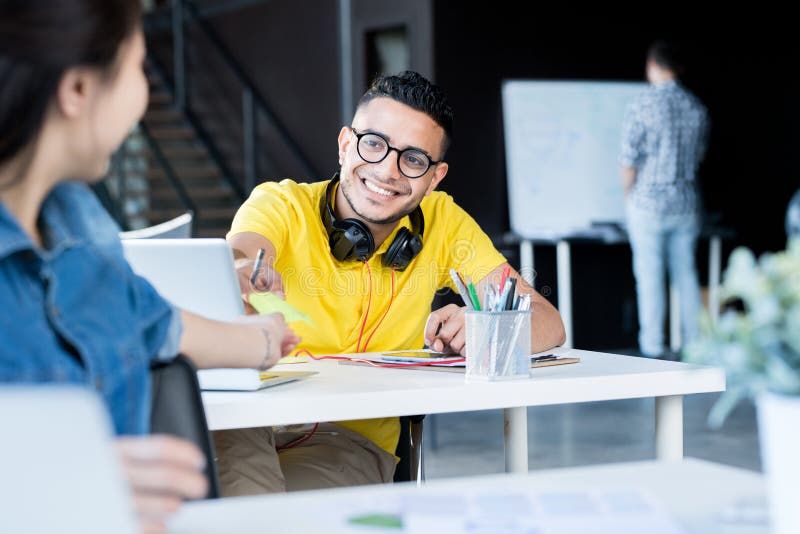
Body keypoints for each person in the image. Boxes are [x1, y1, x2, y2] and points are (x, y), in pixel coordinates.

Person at [0, 1, 298, 532]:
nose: (142, 97)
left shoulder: (78, 226)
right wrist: (51, 484)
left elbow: (148, 322)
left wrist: (263, 339)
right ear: (77, 90)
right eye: (139, 66)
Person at [214, 70, 566, 496]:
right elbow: (245, 251)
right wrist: (246, 269)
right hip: (248, 421)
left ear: (435, 177)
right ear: (346, 145)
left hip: (343, 440)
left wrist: (482, 325)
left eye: (414, 159)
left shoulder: (445, 223)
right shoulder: (281, 203)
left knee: (278, 515)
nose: (387, 171)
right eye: (374, 144)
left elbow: (548, 322)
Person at [620, 41, 710, 358]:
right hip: (685, 204)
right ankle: (696, 345)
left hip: (648, 204)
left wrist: (628, 196)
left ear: (652, 65)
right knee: (686, 274)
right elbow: (698, 158)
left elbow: (629, 159)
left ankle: (653, 346)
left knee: (649, 276)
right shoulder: (696, 108)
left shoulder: (642, 105)